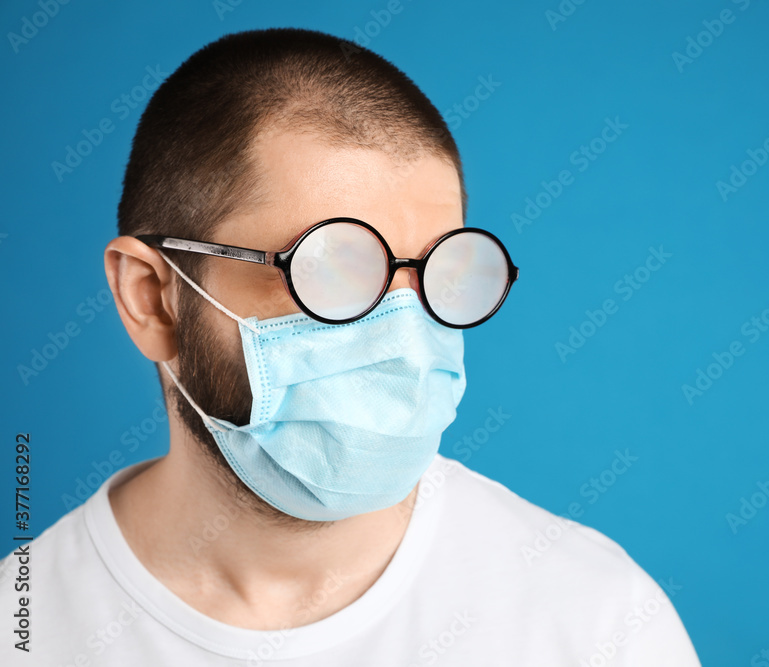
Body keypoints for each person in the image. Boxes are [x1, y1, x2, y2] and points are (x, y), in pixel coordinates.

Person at [1, 28, 700, 665]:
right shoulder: (23, 630)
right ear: (153, 298)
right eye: (331, 268)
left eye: (438, 273)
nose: (402, 335)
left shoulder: (598, 624)